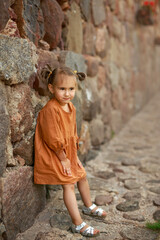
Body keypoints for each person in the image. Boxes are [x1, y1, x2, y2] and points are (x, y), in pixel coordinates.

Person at [34, 66, 107, 237]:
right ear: (51, 89)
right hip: (55, 153)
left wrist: (74, 155)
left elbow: (72, 132)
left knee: (82, 175)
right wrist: (64, 158)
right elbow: (53, 138)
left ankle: (88, 206)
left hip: (68, 153)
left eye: (71, 89)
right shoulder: (51, 110)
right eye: (62, 89)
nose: (67, 94)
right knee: (68, 184)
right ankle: (77, 223)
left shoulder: (71, 107)